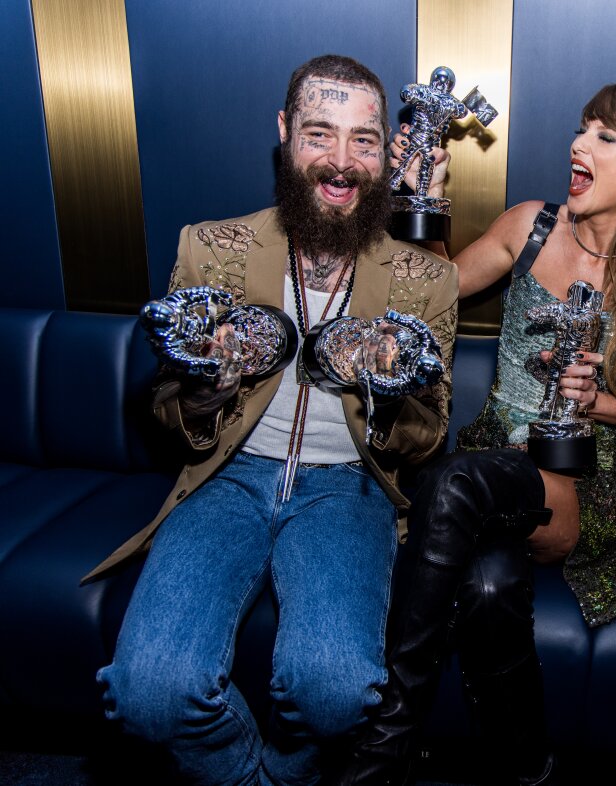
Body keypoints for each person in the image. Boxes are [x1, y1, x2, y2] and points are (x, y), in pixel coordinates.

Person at [83, 54, 458, 786]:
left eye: (365, 140)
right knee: (149, 696)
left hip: (346, 490)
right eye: (320, 134)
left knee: (338, 695)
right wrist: (203, 386)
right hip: (227, 479)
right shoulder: (210, 248)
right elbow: (168, 406)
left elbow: (429, 432)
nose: (342, 163)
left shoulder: (426, 278)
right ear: (285, 133)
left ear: (388, 151)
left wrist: (386, 389)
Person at [336, 82, 616, 786]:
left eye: (605, 136)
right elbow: (432, 288)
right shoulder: (533, 225)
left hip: (591, 478)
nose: (578, 145)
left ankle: (390, 731)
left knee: (453, 482)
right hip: (500, 450)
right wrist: (424, 196)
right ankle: (529, 769)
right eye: (581, 127)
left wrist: (600, 403)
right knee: (492, 584)